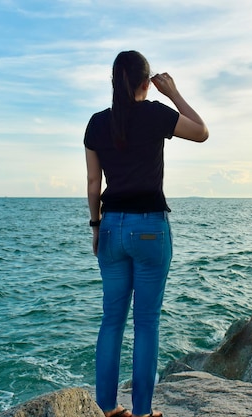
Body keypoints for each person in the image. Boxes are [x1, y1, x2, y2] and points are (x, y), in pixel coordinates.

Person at [84, 50, 208, 417]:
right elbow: (201, 132)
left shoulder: (96, 123)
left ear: (113, 82)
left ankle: (105, 408)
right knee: (146, 323)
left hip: (110, 227)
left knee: (111, 320)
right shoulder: (155, 113)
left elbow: (93, 184)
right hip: (150, 228)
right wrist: (172, 92)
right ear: (145, 82)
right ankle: (141, 413)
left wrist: (96, 226)